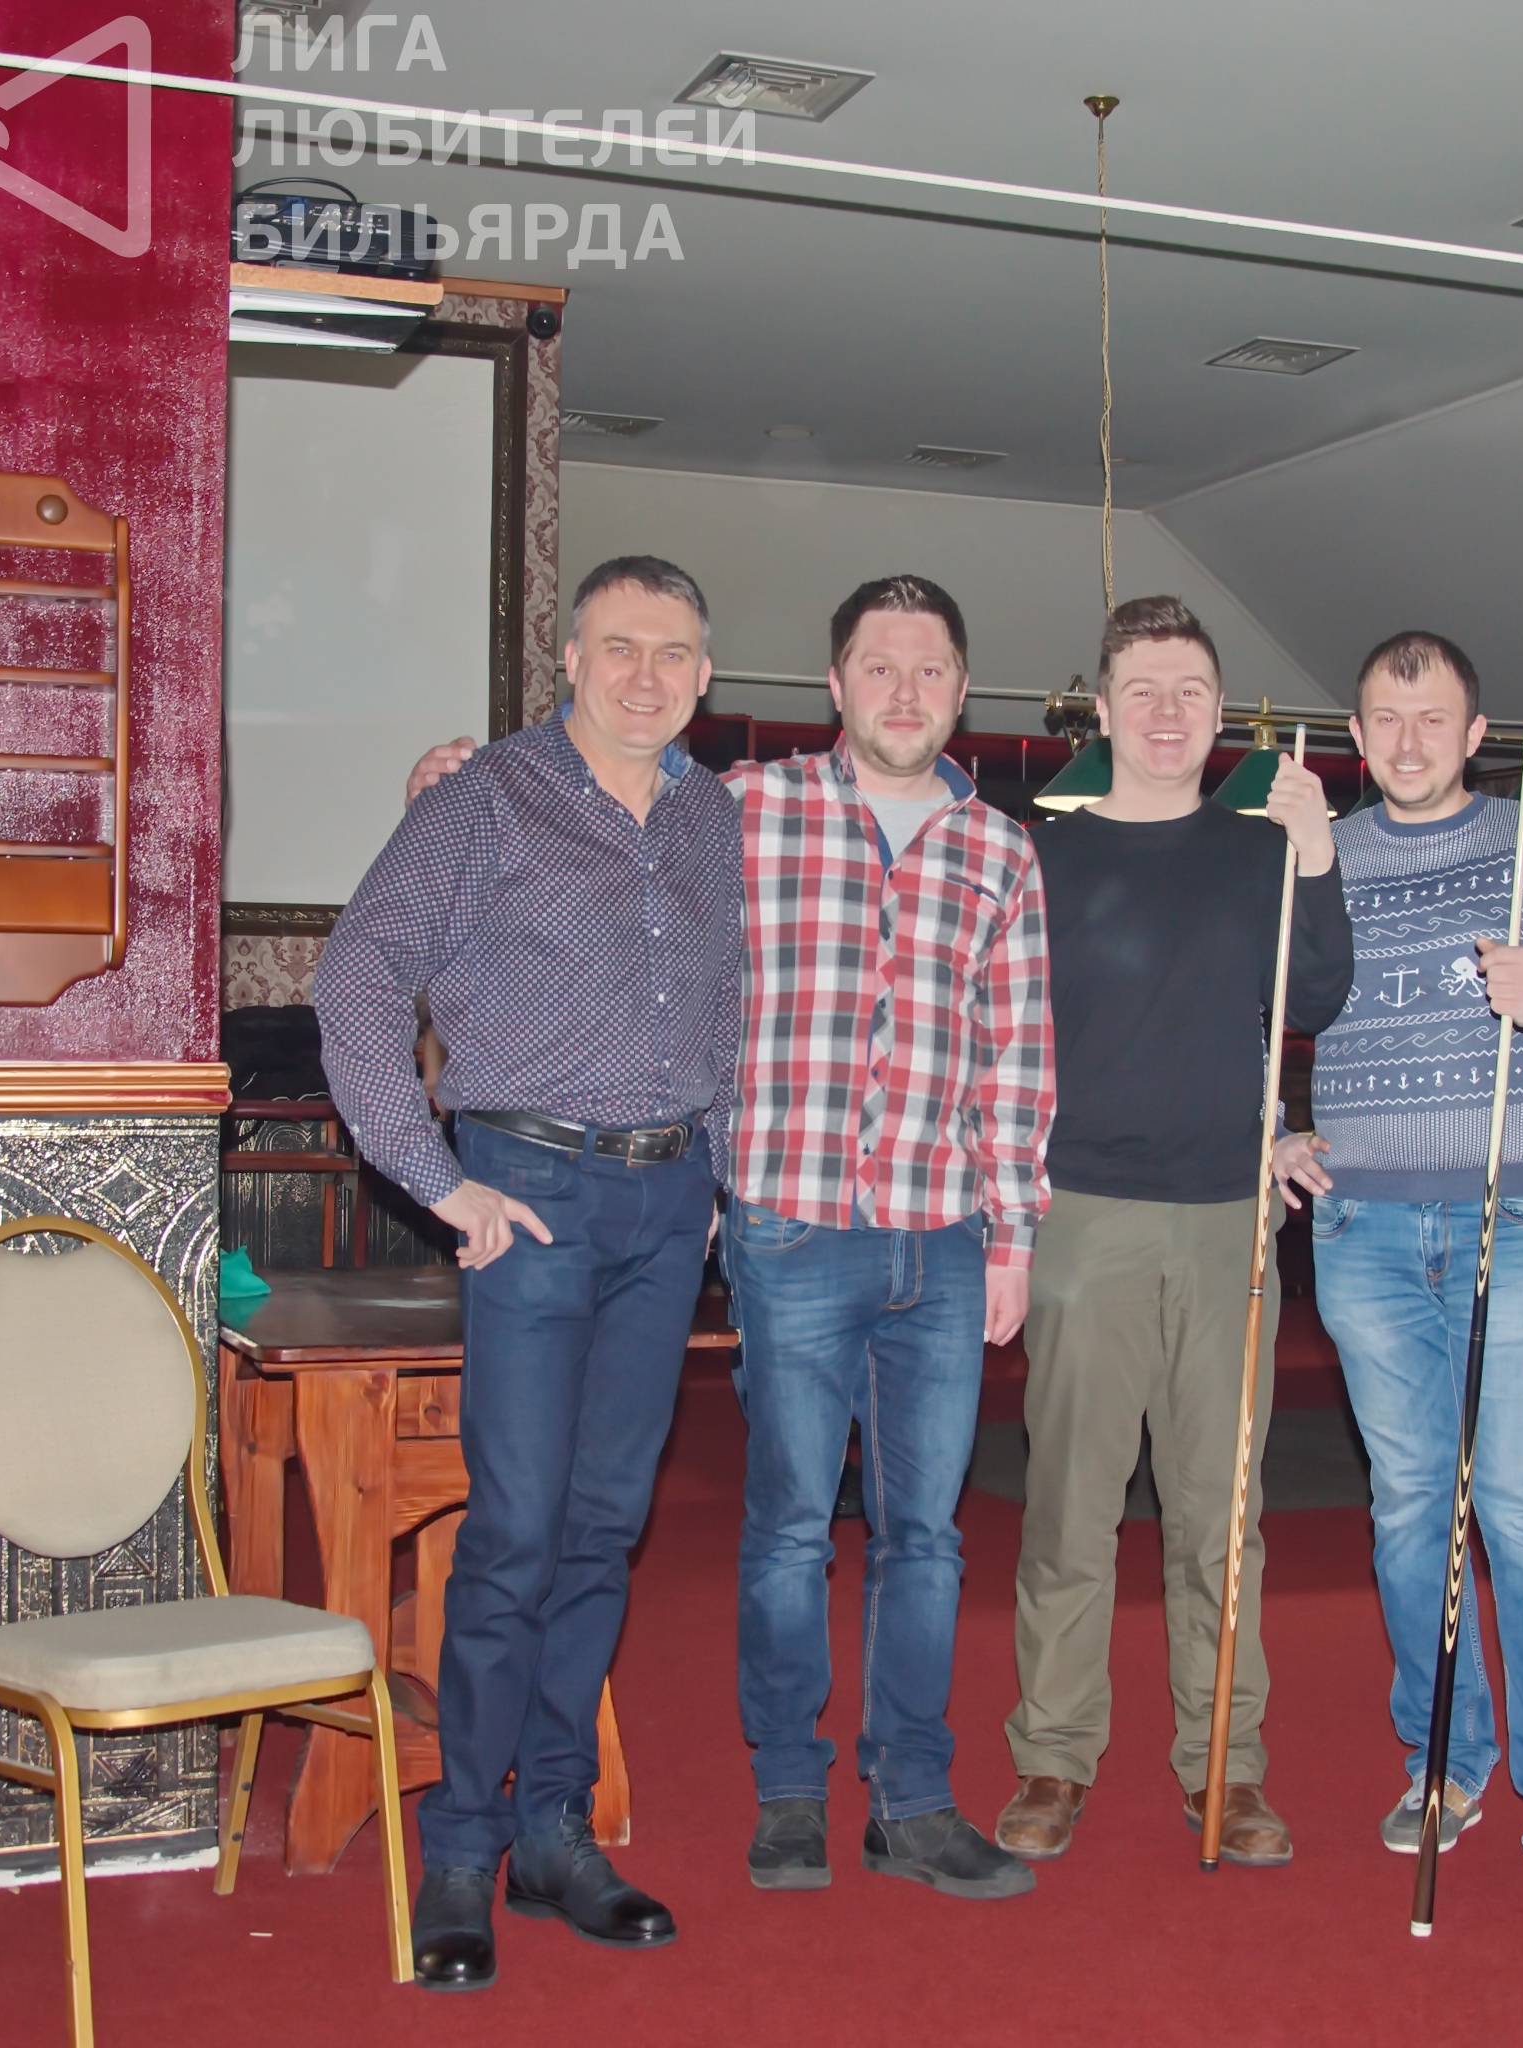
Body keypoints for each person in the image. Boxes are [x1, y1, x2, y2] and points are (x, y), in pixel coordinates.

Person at [410, 572, 1053, 1902]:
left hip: (942, 1231)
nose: (905, 692)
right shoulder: (741, 809)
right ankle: (789, 1790)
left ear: (961, 690)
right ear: (833, 685)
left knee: (930, 1539)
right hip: (787, 1221)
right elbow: (587, 810)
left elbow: (1017, 1057)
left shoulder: (1002, 852)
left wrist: (1015, 1233)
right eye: (878, 666)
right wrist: (449, 786)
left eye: (931, 670)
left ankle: (914, 1798)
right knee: (787, 1531)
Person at [318, 555, 743, 1991]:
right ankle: (460, 1848)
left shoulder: (712, 814)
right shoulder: (485, 796)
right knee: (513, 1531)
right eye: (619, 646)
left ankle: (555, 1831)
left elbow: (727, 1002)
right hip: (531, 1192)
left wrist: (712, 1175)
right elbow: (358, 977)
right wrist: (435, 1178)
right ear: (569, 658)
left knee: (604, 1528)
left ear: (703, 673)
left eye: (672, 653)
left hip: (666, 1201)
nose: (645, 675)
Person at [1270, 631, 1523, 1925]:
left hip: (1515, 1210)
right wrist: (1272, 1123)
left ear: (1477, 734)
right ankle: (1444, 1761)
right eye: (1386, 718)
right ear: (1355, 734)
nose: (1409, 741)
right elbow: (1253, 1007)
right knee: (1410, 1509)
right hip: (1361, 1223)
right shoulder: (1319, 854)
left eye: (1434, 719)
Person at [995, 596, 1351, 1868]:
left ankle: (1225, 1765)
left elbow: (1317, 995)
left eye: (1189, 690)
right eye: (1141, 688)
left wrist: (1315, 851)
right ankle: (1052, 1754)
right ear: (1101, 710)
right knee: (1069, 1510)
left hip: (1225, 1221)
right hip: (1079, 1215)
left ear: (1219, 714)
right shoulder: (1041, 856)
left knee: (1220, 1517)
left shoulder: (1260, 851)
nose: (1164, 710)